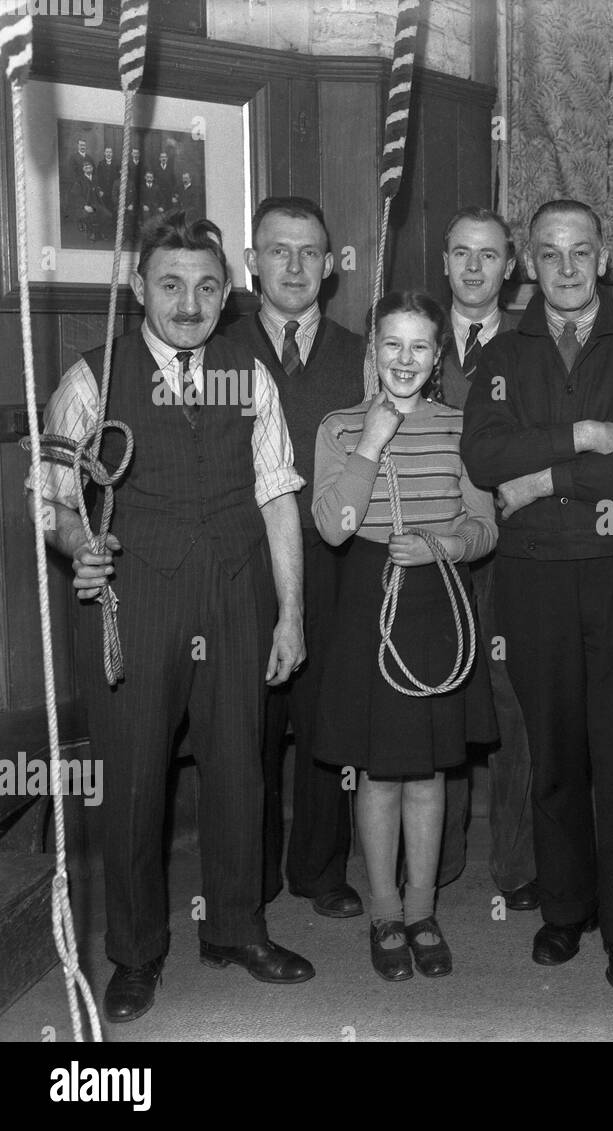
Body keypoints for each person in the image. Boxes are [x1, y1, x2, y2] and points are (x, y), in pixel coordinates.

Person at [27, 211, 315, 1023]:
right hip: (133, 599)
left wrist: (290, 614)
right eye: (170, 284)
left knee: (239, 769)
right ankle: (136, 952)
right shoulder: (91, 376)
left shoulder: (249, 374)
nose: (188, 302)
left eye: (206, 286)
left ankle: (235, 927)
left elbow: (277, 496)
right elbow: (49, 494)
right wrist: (77, 541)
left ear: (228, 293)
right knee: (134, 783)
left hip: (233, 595)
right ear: (137, 285)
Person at [462, 199, 613, 993]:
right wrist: (583, 437)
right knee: (551, 749)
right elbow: (484, 455)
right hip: (534, 574)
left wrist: (546, 475)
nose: (566, 267)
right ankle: (564, 910)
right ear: (529, 265)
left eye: (580, 251)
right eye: (549, 254)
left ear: (604, 256)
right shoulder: (501, 355)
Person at [312, 290, 497, 981]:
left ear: (437, 356)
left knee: (428, 770)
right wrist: (369, 443)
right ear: (371, 350)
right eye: (392, 344)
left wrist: (443, 543)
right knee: (380, 770)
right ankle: (384, 910)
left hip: (437, 601)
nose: (405, 359)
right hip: (369, 595)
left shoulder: (460, 426)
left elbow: (485, 527)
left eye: (420, 345)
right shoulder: (337, 427)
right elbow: (333, 525)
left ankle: (423, 909)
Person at [221, 196, 366, 921]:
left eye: (311, 252)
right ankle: (248, 876)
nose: (296, 266)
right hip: (244, 564)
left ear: (332, 266)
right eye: (279, 250)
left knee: (326, 721)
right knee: (248, 724)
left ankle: (320, 868)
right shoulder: (217, 351)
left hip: (334, 561)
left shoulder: (360, 353)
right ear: (250, 263)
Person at [435, 205, 539, 911]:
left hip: (509, 549)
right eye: (462, 253)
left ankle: (517, 864)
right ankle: (432, 862)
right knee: (433, 696)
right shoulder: (406, 334)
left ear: (512, 267)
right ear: (445, 260)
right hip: (427, 550)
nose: (475, 268)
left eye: (490, 255)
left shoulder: (532, 346)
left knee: (512, 705)